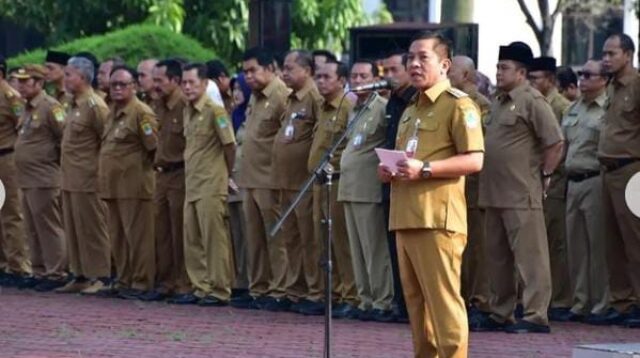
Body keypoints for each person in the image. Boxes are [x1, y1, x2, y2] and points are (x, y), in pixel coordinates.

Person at [378, 32, 484, 357]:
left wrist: (424, 169)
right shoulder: (410, 109)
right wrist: (390, 170)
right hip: (405, 217)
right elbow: (405, 157)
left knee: (444, 307)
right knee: (416, 308)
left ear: (445, 64)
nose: (414, 63)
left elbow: (475, 159)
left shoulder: (458, 105)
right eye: (410, 57)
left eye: (423, 57)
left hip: (437, 221)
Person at [473, 43, 564, 333]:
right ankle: (501, 312)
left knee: (530, 257)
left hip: (521, 192)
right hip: (493, 192)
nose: (498, 72)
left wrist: (546, 174)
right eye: (498, 67)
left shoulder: (532, 100)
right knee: (497, 258)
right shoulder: (498, 101)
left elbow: (555, 142)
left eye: (504, 68)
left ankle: (537, 314)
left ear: (522, 72)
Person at [172, 63, 236, 306]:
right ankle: (201, 287)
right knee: (193, 238)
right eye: (184, 82)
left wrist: (226, 175)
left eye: (192, 82)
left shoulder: (214, 111)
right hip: (193, 183)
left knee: (214, 239)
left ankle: (220, 290)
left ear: (204, 83)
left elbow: (229, 146)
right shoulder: (187, 109)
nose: (187, 87)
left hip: (211, 183)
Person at [232, 48, 290, 310]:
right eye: (245, 72)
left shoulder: (281, 95)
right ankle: (259, 289)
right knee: (254, 238)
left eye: (253, 70)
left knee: (275, 237)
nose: (248, 76)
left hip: (270, 179)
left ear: (270, 68)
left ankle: (279, 289)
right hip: (249, 179)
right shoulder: (255, 97)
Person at [338, 60, 394, 322]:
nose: (359, 81)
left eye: (364, 76)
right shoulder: (353, 109)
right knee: (357, 249)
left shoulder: (381, 108)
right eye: (354, 76)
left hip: (368, 187)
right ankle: (365, 300)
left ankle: (382, 301)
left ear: (375, 78)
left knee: (374, 248)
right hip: (348, 187)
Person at [268, 50, 323, 313]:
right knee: (290, 238)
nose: (284, 73)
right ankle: (295, 288)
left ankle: (315, 291)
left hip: (304, 182)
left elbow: (320, 136)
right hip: (285, 182)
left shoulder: (314, 97)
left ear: (307, 70)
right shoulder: (290, 99)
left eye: (290, 68)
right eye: (284, 68)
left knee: (309, 238)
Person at [305, 60, 358, 317]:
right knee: (323, 242)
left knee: (341, 241)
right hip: (318, 183)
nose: (321, 81)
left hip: (336, 181)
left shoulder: (348, 106)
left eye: (327, 77)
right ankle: (332, 293)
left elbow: (352, 145)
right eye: (318, 76)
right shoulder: (321, 106)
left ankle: (349, 293)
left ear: (341, 80)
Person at [98, 65, 157, 299]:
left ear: (134, 86)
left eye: (123, 84)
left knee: (138, 239)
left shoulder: (141, 113)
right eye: (114, 85)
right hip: (113, 187)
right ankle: (124, 280)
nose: (118, 89)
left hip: (134, 187)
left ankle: (141, 283)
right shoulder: (111, 112)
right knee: (118, 238)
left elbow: (153, 148)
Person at [56, 56, 111, 295]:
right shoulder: (72, 103)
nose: (65, 79)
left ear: (83, 76)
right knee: (75, 228)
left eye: (69, 74)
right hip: (69, 178)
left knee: (93, 228)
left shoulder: (95, 105)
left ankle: (101, 276)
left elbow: (105, 141)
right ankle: (79, 274)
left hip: (89, 178)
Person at [560, 59, 610, 322]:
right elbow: (563, 147)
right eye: (581, 75)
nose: (582, 79)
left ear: (603, 80)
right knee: (576, 246)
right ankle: (580, 303)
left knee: (598, 245)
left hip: (595, 180)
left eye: (589, 75)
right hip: (573, 182)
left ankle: (601, 304)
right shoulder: (572, 109)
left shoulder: (607, 109)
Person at [596, 33, 640, 328]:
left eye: (612, 53)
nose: (606, 59)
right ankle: (623, 303)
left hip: (632, 170)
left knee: (636, 241)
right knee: (612, 242)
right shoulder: (612, 86)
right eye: (604, 53)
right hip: (608, 171)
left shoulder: (637, 85)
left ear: (628, 54)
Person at [13, 65, 68, 292]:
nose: (21, 86)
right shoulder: (27, 107)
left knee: (48, 226)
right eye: (19, 81)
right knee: (32, 227)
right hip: (26, 178)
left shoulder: (50, 107)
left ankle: (56, 272)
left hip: (44, 177)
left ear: (39, 83)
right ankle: (39, 269)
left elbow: (64, 137)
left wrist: (51, 161)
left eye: (26, 82)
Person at [528, 56, 573, 320]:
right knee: (540, 243)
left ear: (551, 80)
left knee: (555, 244)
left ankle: (560, 300)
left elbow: (561, 146)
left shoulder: (562, 107)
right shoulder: (535, 103)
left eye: (537, 78)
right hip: (535, 180)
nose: (532, 83)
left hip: (554, 181)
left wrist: (548, 173)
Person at [448, 55, 492, 319]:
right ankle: (462, 296)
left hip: (474, 185)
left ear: (465, 75)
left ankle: (480, 299)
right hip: (454, 186)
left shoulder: (479, 105)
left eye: (451, 71)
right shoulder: (449, 101)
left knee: (477, 246)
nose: (446, 75)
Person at [150, 59, 190, 302]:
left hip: (180, 172)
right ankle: (166, 282)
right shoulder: (158, 105)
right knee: (161, 231)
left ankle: (183, 282)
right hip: (161, 174)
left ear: (175, 81)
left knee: (179, 230)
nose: (154, 86)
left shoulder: (184, 106)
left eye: (159, 81)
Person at [381, 50, 416, 322]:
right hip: (390, 180)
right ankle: (400, 302)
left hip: (414, 181)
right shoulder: (391, 102)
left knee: (412, 249)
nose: (389, 76)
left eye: (394, 70)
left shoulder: (415, 101)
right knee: (394, 247)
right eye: (386, 71)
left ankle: (412, 305)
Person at [0, 56, 32, 286]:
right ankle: (3, 262)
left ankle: (18, 266)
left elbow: (22, 126)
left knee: (12, 212)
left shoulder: (11, 96)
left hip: (7, 157)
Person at [227, 73, 251, 298]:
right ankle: (239, 279)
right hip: (230, 182)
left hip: (247, 182)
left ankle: (251, 282)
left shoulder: (250, 117)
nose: (236, 94)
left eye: (240, 90)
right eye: (233, 90)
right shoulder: (232, 115)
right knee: (235, 235)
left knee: (248, 234)